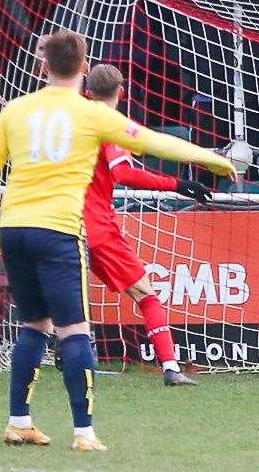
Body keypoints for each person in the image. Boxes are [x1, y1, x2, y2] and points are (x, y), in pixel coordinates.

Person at [0, 31, 236, 451]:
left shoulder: (14, 110)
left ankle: (19, 421)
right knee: (75, 331)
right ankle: (84, 432)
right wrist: (213, 159)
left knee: (34, 326)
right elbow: (154, 141)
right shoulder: (93, 115)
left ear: (43, 67)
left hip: (14, 228)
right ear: (83, 68)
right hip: (61, 229)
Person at [83, 64, 212, 385]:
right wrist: (177, 184)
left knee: (58, 305)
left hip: (58, 221)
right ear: (122, 92)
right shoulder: (110, 125)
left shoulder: (71, 120)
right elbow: (124, 173)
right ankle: (170, 367)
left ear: (87, 92)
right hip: (97, 226)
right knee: (146, 294)